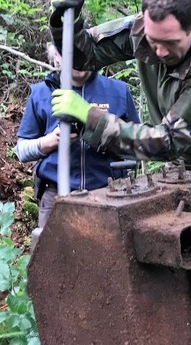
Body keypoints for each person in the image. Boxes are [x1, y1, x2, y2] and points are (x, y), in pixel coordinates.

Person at [47, 0, 191, 225]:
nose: (159, 52)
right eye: (153, 41)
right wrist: (65, 17)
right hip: (181, 166)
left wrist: (90, 116)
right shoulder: (142, 31)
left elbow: (167, 142)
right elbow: (83, 56)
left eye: (170, 43)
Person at [16, 44, 140, 229]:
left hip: (109, 193)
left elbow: (138, 145)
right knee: (53, 256)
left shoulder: (117, 91)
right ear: (56, 56)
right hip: (55, 196)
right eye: (67, 53)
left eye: (81, 53)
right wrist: (51, 141)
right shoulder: (41, 93)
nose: (76, 61)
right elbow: (21, 151)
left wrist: (102, 135)